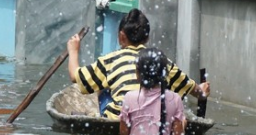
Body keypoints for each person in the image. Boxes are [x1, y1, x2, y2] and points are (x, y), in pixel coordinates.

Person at [66, 8, 210, 119]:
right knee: (166, 89)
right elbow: (194, 90)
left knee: (102, 86)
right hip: (154, 119)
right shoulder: (161, 61)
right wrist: (202, 90)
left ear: (122, 36)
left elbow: (76, 77)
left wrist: (73, 51)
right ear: (147, 38)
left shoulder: (110, 60)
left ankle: (108, 115)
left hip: (119, 118)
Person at [119, 48, 187, 135]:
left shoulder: (129, 97)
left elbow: (124, 133)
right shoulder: (175, 98)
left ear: (139, 73)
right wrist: (183, 123)